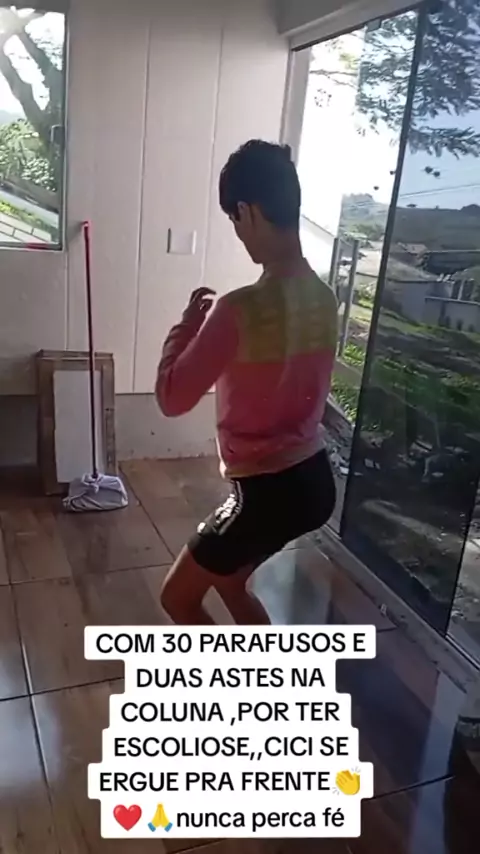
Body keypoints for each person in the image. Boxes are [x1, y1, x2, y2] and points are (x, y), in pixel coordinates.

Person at [155, 139, 338, 625]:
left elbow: (172, 397)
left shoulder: (237, 309)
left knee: (177, 597)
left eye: (235, 221)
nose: (238, 234)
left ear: (249, 211)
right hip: (315, 482)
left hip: (265, 493)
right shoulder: (325, 299)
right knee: (230, 578)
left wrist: (185, 329)